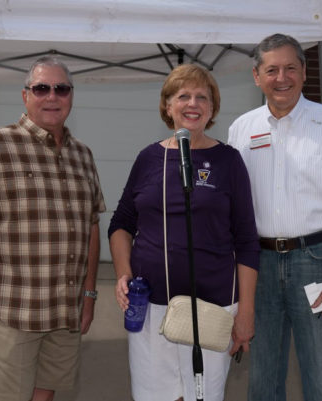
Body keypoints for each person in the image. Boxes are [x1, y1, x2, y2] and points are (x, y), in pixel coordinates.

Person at [0, 56, 106, 401]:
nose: (52, 96)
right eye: (41, 88)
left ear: (71, 96)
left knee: (45, 393)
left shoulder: (82, 156)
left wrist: (89, 295)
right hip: (12, 311)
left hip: (64, 310)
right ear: (25, 95)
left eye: (61, 89)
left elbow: (91, 227)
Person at [228, 34, 322, 401]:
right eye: (272, 70)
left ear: (305, 73)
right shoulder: (241, 130)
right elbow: (234, 207)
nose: (282, 78)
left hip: (317, 262)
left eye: (291, 68)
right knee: (262, 381)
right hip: (259, 264)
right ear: (256, 76)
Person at [108, 64, 260, 401]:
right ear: (167, 105)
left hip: (212, 307)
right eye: (183, 96)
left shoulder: (228, 161)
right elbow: (121, 223)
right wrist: (123, 273)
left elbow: (247, 241)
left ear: (213, 108)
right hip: (151, 306)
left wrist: (246, 311)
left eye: (202, 97)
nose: (193, 104)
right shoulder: (148, 158)